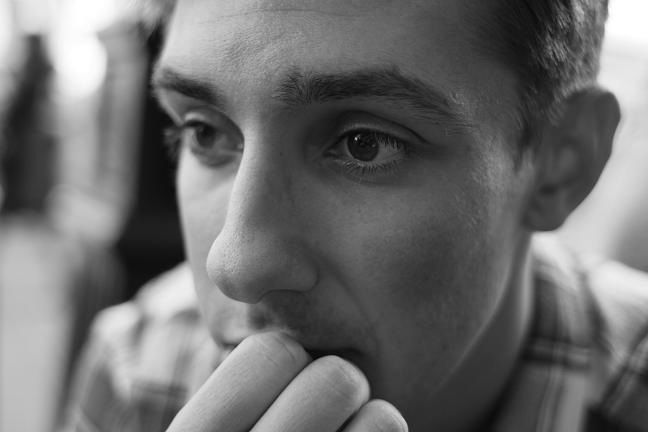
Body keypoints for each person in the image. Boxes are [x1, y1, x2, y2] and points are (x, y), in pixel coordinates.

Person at [62, 0, 648, 431]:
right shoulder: (136, 371)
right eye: (204, 133)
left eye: (364, 144)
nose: (235, 266)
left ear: (561, 162)